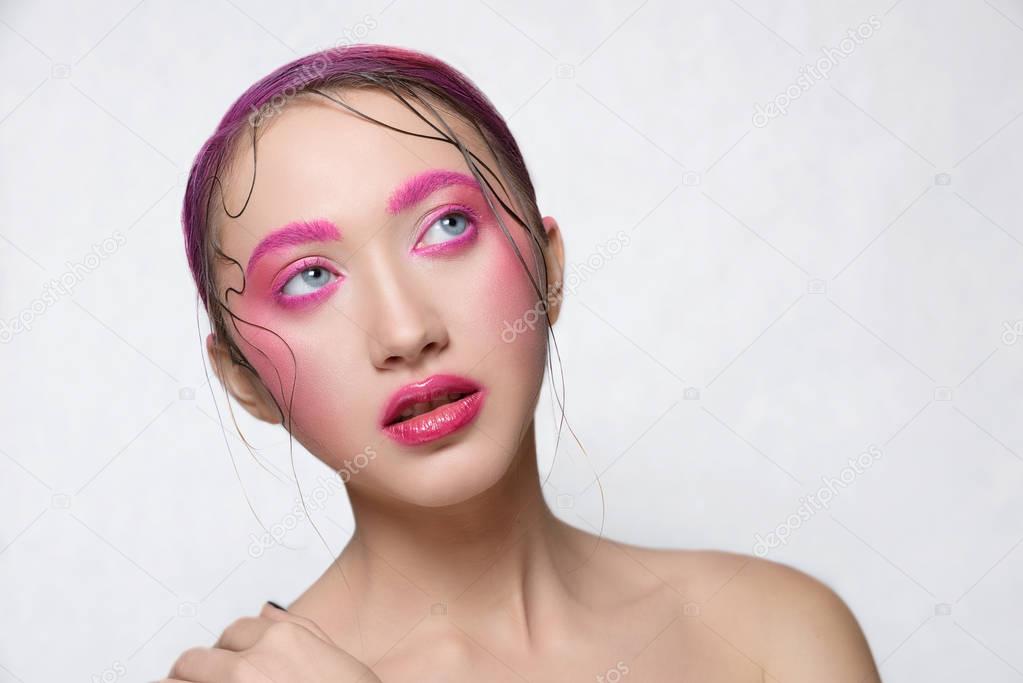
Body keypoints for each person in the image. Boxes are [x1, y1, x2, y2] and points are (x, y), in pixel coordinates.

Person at [166, 43, 881, 682]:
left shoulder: (774, 635)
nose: (406, 330)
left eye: (446, 226)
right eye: (309, 278)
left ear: (549, 268)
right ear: (243, 379)